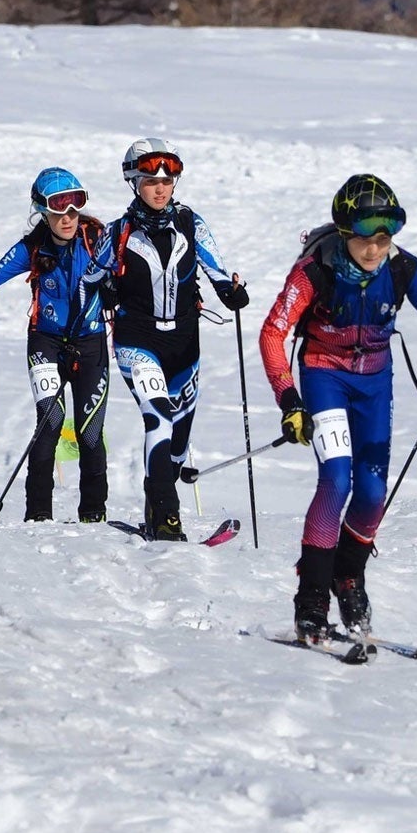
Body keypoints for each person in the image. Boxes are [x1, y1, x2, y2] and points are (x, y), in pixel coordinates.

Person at [259, 175, 417, 643]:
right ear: (346, 233)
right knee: (337, 479)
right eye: (365, 239)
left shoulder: (405, 269)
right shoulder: (316, 271)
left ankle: (349, 578)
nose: (374, 250)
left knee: (372, 493)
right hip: (324, 375)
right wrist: (289, 398)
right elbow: (273, 333)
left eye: (383, 239)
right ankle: (311, 601)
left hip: (375, 384)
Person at [85, 138, 246, 541]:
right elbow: (88, 279)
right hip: (136, 340)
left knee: (178, 441)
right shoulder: (118, 232)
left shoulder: (192, 223)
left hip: (184, 345)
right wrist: (103, 289)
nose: (160, 188)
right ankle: (167, 518)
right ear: (133, 183)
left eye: (167, 180)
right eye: (150, 180)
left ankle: (157, 499)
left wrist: (231, 292)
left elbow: (217, 268)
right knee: (157, 416)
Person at [0, 167, 110, 523]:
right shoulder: (32, 247)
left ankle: (94, 514)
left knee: (89, 431)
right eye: (58, 209)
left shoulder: (97, 239)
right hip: (46, 343)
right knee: (51, 420)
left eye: (74, 207)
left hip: (90, 345)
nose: (67, 218)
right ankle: (38, 515)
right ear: (42, 211)